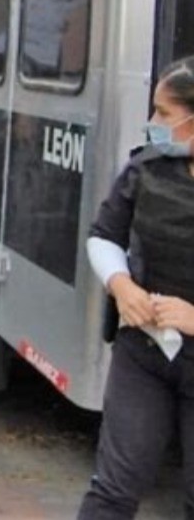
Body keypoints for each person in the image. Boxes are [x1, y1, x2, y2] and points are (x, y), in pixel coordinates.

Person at [77, 60, 194, 519]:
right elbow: (105, 234)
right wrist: (121, 284)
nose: (152, 123)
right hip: (145, 351)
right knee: (112, 490)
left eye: (163, 113)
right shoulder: (147, 168)